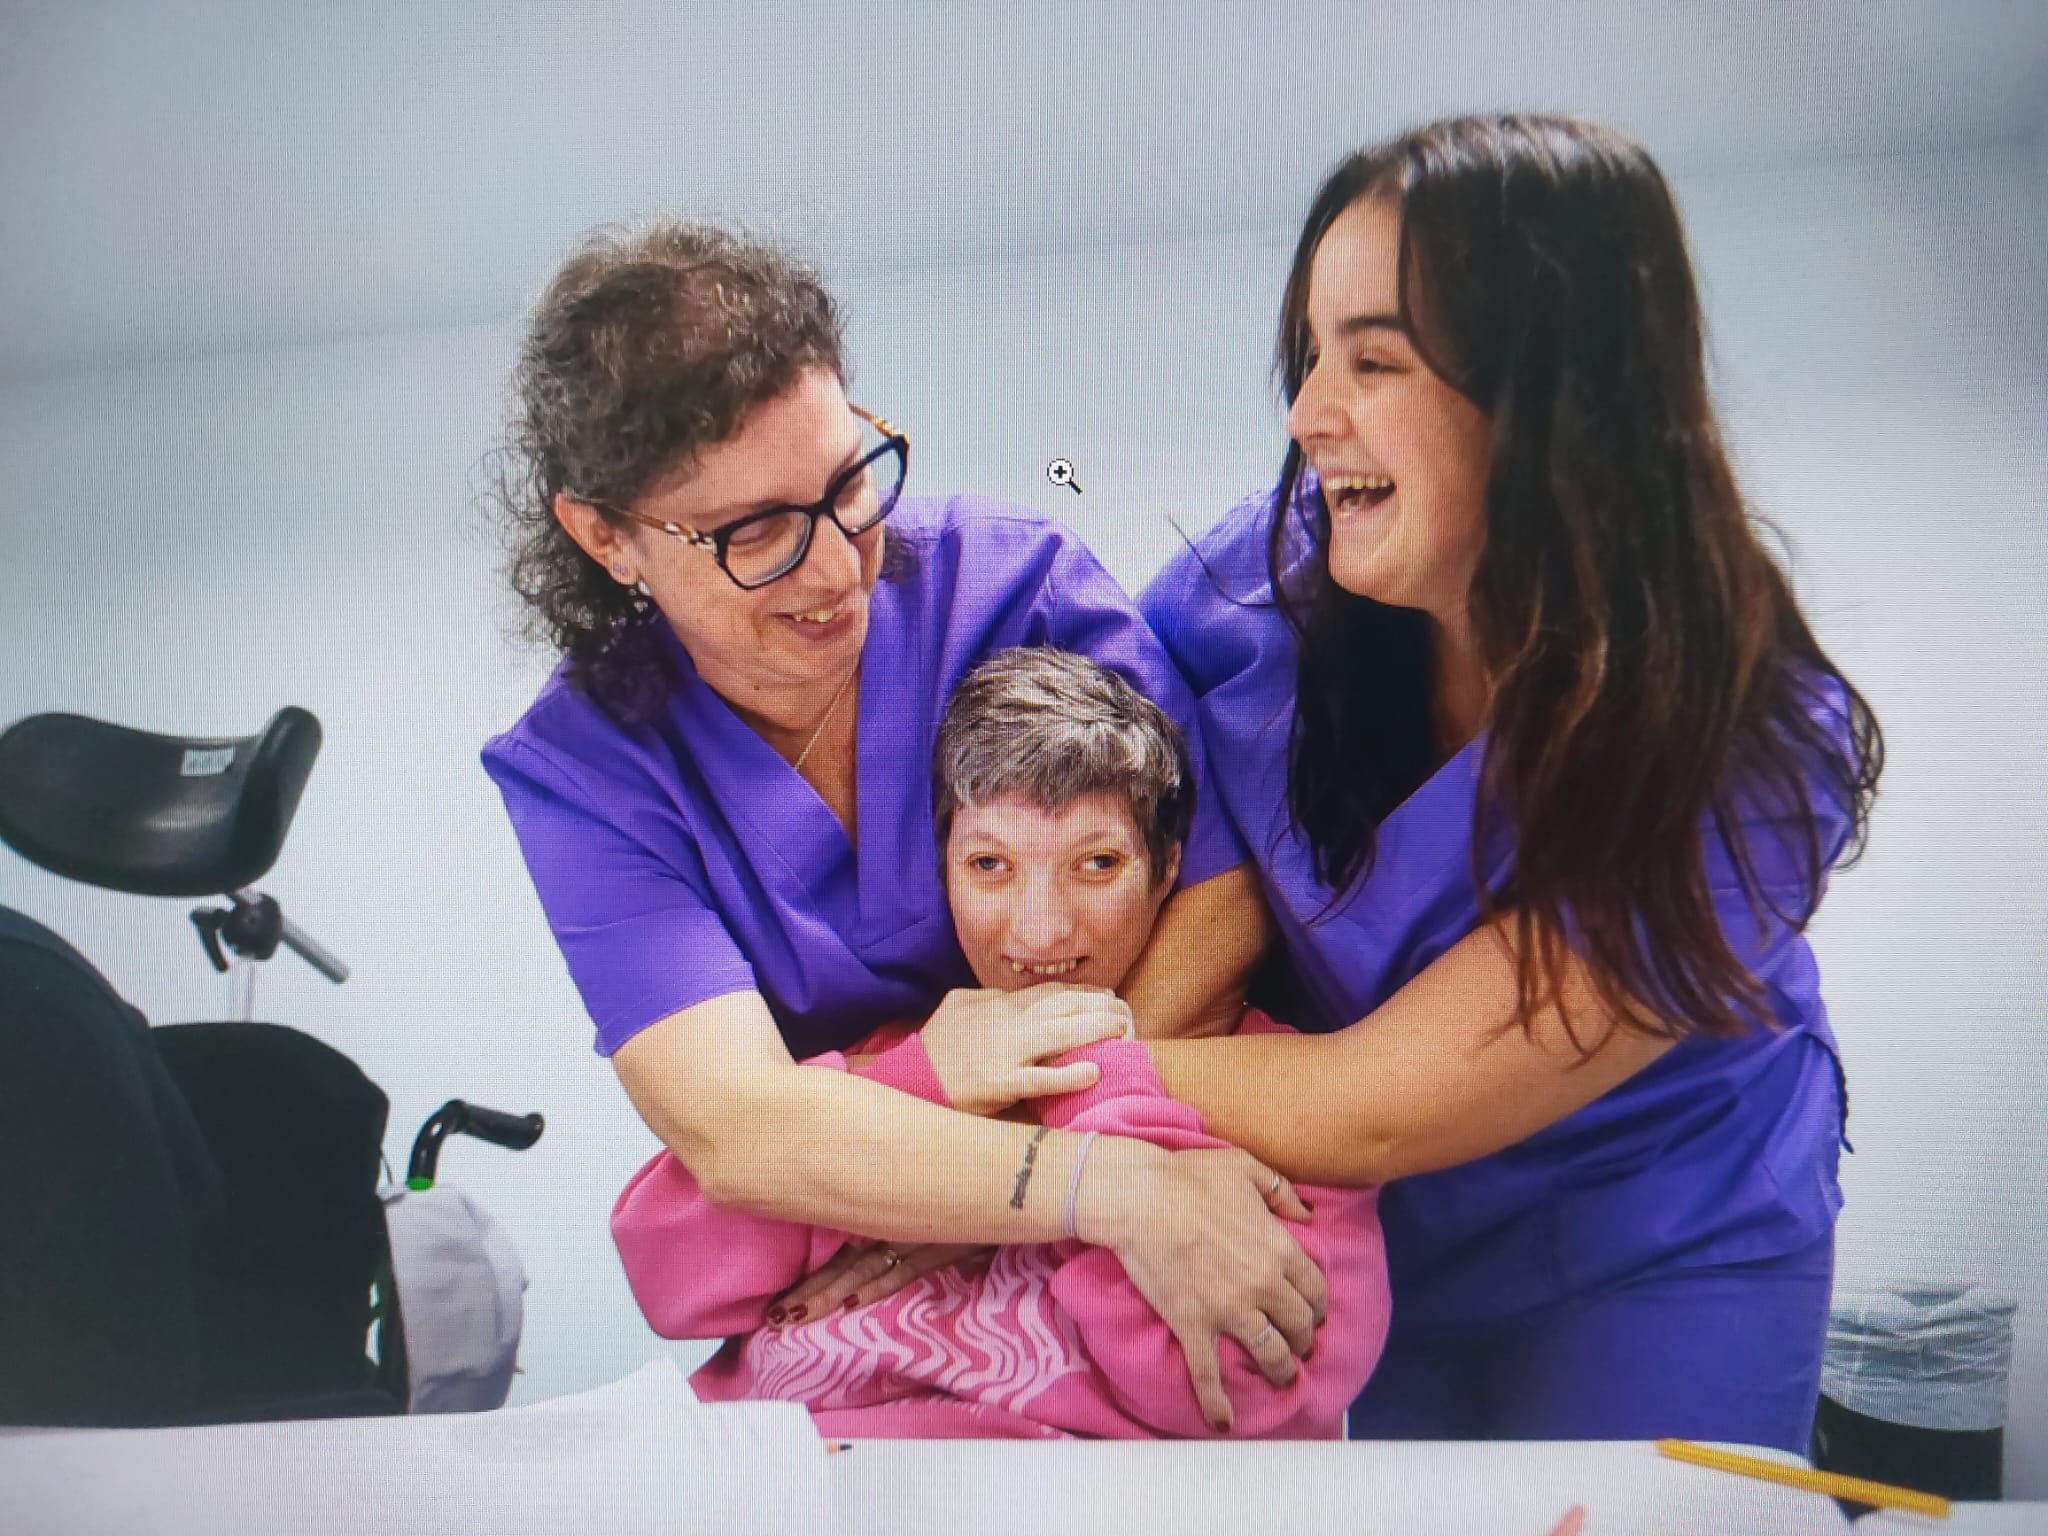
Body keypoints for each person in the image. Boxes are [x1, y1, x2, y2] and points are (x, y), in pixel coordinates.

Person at [479, 222, 1323, 1434]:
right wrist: (1072, 1184)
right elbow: (734, 1127)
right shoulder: (585, 771)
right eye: (754, 532)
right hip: (873, 1267)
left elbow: (1217, 892)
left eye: (848, 483)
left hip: (1114, 1170)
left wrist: (1006, 1175)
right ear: (606, 536)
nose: (837, 569)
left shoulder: (1014, 586)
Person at [1129, 114, 1883, 1451]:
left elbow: (1370, 1106)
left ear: (1557, 403)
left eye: (1373, 359)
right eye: (1310, 355)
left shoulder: (1750, 752)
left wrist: (1043, 1085)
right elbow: (1071, 783)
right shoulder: (1250, 597)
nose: (1306, 415)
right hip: (1382, 1240)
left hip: (1661, 1231)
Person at [609, 648, 1390, 1439]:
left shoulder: (1268, 1092)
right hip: (771, 1472)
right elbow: (667, 1273)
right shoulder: (922, 1052)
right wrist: (923, 1080)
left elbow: (1237, 1391)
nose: (1041, 930)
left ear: (1166, 873)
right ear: (944, 872)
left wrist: (1087, 1090)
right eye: (990, 865)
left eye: (1097, 863)